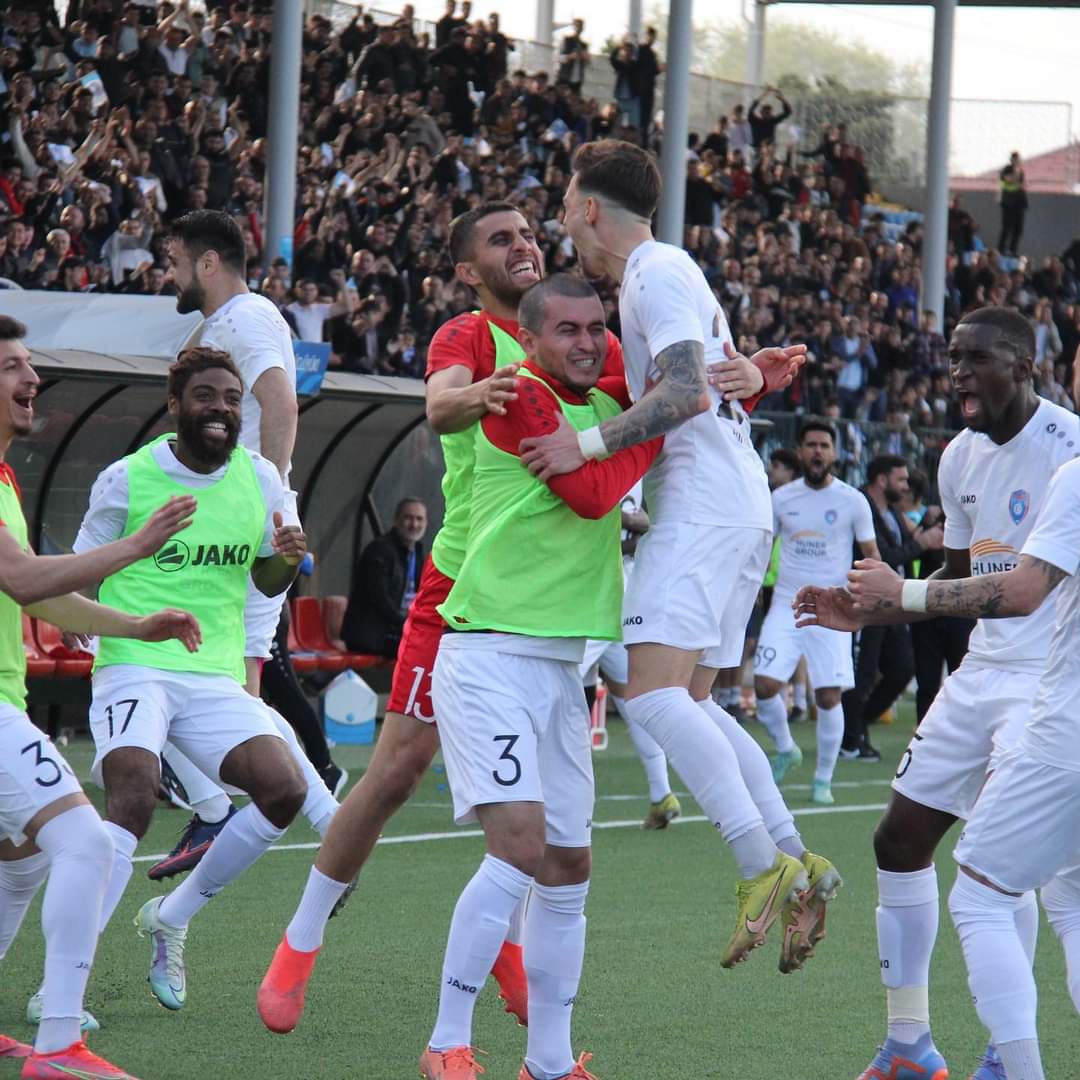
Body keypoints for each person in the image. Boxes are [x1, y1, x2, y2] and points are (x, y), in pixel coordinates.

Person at [519, 139, 839, 975]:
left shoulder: (655, 272)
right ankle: (797, 858)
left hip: (701, 506)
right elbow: (710, 383)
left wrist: (584, 443)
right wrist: (756, 376)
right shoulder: (667, 273)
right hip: (734, 504)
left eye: (565, 202)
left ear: (590, 207)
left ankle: (758, 865)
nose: (561, 218)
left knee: (653, 697)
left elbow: (686, 391)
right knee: (698, 701)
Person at [257, 202, 547, 1039]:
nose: (523, 245)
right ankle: (299, 942)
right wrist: (487, 392)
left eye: (529, 233)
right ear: (466, 270)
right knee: (394, 774)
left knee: (539, 794)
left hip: (549, 599)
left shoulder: (573, 332)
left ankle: (510, 949)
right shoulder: (467, 336)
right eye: (500, 239)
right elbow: (442, 406)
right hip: (460, 591)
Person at [794, 306, 1080, 1080]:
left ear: (1024, 365)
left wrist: (904, 595)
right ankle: (908, 1044)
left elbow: (1023, 591)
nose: (957, 373)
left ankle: (1005, 1054)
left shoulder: (1069, 449)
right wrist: (871, 608)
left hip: (1049, 678)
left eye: (976, 358)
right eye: (952, 358)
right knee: (899, 838)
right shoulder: (958, 456)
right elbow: (957, 578)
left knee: (1001, 867)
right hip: (983, 669)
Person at [417, 273, 667, 1080]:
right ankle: (447, 1044)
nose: (588, 342)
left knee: (568, 866)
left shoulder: (604, 404)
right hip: (488, 656)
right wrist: (667, 415)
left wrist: (749, 375)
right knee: (520, 847)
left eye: (597, 327)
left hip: (560, 667)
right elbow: (594, 495)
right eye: (567, 329)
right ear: (528, 339)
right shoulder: (518, 394)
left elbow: (667, 385)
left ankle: (550, 1063)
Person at [74, 347, 311, 1014]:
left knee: (284, 790)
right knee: (133, 796)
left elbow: (267, 576)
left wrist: (286, 561)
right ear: (175, 404)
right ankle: (66, 980)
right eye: (206, 396)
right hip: (134, 661)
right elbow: (79, 569)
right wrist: (81, 624)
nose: (222, 410)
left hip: (212, 674)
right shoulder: (128, 478)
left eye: (233, 400)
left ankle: (172, 916)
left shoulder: (260, 478)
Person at [0, 315, 200, 1079]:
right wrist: (137, 546)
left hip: (7, 704)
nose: (32, 379)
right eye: (12, 367)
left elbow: (40, 595)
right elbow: (22, 579)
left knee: (21, 861)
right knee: (84, 841)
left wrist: (136, 625)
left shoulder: (6, 480)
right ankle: (58, 1046)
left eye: (30, 364)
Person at [150, 209, 343, 883]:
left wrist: (268, 496)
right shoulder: (225, 323)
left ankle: (217, 809)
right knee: (234, 690)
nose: (167, 274)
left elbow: (280, 402)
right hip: (240, 522)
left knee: (159, 660)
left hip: (246, 524)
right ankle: (331, 828)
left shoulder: (248, 318)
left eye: (174, 261)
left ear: (207, 262)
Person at [753, 421, 879, 805]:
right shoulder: (781, 498)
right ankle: (786, 748)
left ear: (835, 453)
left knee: (827, 696)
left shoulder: (853, 500)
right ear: (800, 451)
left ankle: (823, 779)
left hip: (832, 609)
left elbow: (871, 555)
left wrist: (866, 598)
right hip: (787, 604)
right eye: (811, 445)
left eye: (824, 445)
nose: (818, 451)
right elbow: (762, 548)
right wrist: (752, 586)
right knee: (764, 686)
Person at [580, 482, 679, 829]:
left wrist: (626, 520)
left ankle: (570, 807)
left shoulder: (601, 466)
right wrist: (632, 522)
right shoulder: (637, 471)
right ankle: (661, 793)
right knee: (629, 699)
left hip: (590, 598)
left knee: (556, 695)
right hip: (620, 597)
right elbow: (641, 530)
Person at [838, 455, 939, 762]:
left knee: (903, 667)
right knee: (863, 673)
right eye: (901, 479)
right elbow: (879, 558)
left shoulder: (892, 511)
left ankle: (857, 726)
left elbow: (903, 547)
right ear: (882, 480)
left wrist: (926, 526)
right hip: (866, 600)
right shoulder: (862, 507)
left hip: (891, 602)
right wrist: (922, 543)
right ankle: (851, 739)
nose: (906, 486)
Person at [342, 497, 428, 658]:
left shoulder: (418, 552)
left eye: (419, 519)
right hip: (370, 635)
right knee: (421, 651)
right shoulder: (380, 550)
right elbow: (379, 598)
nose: (414, 524)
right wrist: (405, 624)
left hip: (395, 631)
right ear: (396, 520)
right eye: (408, 518)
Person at [998, 150, 1027, 256]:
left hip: (1019, 203)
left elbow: (1022, 185)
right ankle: (1001, 249)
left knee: (1018, 229)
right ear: (1012, 160)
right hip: (1009, 203)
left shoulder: (1021, 171)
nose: (1018, 161)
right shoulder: (1007, 169)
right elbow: (1007, 181)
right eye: (1016, 159)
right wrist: (1015, 174)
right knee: (1007, 227)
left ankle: (1013, 250)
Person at [748, 87, 792, 151]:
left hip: (767, 149)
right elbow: (751, 109)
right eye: (766, 113)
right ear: (761, 113)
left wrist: (782, 99)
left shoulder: (772, 121)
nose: (768, 114)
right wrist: (764, 94)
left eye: (769, 113)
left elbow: (788, 112)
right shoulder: (755, 120)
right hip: (755, 148)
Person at [557, 19, 589, 93]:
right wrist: (569, 57)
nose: (578, 28)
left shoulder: (584, 45)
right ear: (573, 27)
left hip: (577, 81)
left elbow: (587, 62)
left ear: (582, 29)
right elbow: (557, 58)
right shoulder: (566, 40)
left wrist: (586, 58)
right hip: (565, 79)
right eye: (577, 26)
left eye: (580, 26)